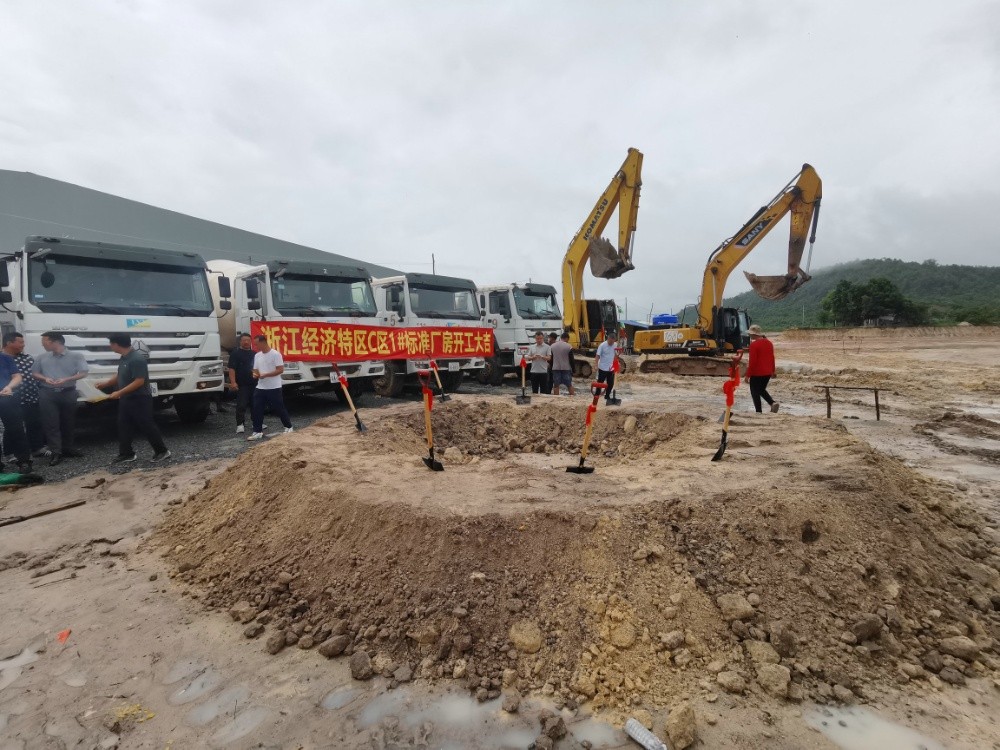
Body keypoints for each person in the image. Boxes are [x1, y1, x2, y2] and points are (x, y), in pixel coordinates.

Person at [97, 334, 171, 463]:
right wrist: (106, 384)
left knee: (147, 425)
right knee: (123, 425)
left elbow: (139, 381)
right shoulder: (124, 357)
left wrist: (119, 392)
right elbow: (120, 374)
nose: (110, 346)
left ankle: (162, 451)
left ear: (116, 344)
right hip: (127, 398)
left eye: (111, 344)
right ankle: (127, 453)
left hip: (140, 398)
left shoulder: (137, 359)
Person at [31, 331, 89, 465]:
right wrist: (45, 378)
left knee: (69, 422)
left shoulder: (76, 356)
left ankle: (68, 448)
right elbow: (34, 373)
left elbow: (83, 373)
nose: (42, 345)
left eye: (44, 342)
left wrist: (66, 379)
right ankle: (56, 452)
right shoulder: (42, 357)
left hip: (68, 392)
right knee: (51, 423)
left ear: (55, 342)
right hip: (47, 393)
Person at [2, 332, 46, 458]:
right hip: (10, 400)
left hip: (31, 397)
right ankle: (11, 453)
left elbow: (36, 374)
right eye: (20, 342)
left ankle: (36, 448)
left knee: (34, 423)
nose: (23, 345)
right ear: (9, 343)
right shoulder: (3, 359)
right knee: (12, 427)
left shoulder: (27, 358)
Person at [248, 334, 292, 441]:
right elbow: (255, 369)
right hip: (260, 387)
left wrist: (266, 374)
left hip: (274, 387)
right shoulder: (257, 355)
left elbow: (280, 370)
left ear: (263, 342)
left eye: (257, 344)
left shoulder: (275, 354)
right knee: (257, 408)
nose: (256, 346)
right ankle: (257, 431)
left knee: (279, 407)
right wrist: (255, 374)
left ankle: (288, 426)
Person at [0, 348, 32, 472]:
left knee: (16, 429)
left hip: (6, 396)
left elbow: (17, 376)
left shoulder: (5, 358)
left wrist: (9, 386)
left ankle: (24, 461)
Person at [227, 333, 257, 434]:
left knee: (255, 404)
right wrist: (233, 382)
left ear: (251, 341)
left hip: (254, 383)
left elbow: (256, 368)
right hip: (242, 384)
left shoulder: (254, 354)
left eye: (248, 340)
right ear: (240, 341)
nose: (246, 342)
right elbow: (232, 369)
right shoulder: (235, 354)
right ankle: (240, 424)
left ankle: (256, 422)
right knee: (241, 405)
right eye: (244, 340)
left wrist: (258, 379)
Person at [745, 324, 778, 413]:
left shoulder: (754, 345)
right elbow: (772, 358)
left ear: (754, 334)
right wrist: (773, 370)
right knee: (761, 389)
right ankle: (772, 403)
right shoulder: (769, 343)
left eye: (750, 333)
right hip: (767, 372)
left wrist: (748, 375)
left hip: (757, 372)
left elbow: (752, 362)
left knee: (754, 391)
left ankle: (758, 411)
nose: (749, 335)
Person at [594, 331, 619, 405]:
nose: (612, 343)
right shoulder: (602, 345)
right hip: (603, 367)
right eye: (610, 341)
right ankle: (597, 395)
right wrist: (596, 365)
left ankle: (607, 395)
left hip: (611, 368)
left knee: (610, 383)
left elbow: (616, 355)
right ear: (608, 338)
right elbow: (597, 356)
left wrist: (616, 365)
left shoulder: (615, 345)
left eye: (613, 341)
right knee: (600, 383)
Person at [550, 332, 575, 396]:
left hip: (555, 368)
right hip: (566, 368)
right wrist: (573, 369)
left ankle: (556, 399)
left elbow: (551, 359)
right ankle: (573, 397)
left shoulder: (552, 346)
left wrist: (551, 367)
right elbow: (571, 359)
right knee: (569, 385)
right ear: (567, 338)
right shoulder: (569, 346)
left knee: (556, 385)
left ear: (561, 337)